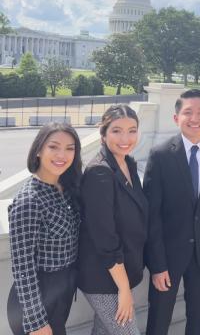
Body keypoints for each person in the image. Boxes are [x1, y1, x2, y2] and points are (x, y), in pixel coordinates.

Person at [143, 89, 200, 335]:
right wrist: (157, 264)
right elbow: (151, 216)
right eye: (188, 112)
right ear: (176, 118)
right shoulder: (160, 155)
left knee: (198, 321)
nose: (195, 118)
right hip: (168, 258)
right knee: (158, 321)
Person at [77, 104, 148, 335]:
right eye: (116, 130)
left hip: (120, 275)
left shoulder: (127, 163)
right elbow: (104, 237)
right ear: (103, 133)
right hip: (104, 279)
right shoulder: (100, 172)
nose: (125, 138)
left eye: (132, 130)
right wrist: (124, 288)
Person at [7, 122, 82, 335]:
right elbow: (23, 268)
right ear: (39, 150)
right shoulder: (28, 201)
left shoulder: (65, 189)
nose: (62, 155)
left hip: (61, 294)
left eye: (70, 148)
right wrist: (36, 322)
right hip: (36, 301)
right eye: (54, 147)